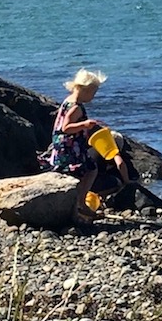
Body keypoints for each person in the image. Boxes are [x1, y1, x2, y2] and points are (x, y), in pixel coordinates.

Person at [47, 68, 133, 218]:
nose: (94, 96)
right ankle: (81, 203)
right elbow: (65, 128)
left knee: (77, 172)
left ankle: (76, 203)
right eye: (93, 92)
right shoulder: (76, 107)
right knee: (90, 170)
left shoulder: (68, 101)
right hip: (69, 146)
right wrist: (84, 125)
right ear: (84, 90)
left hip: (63, 143)